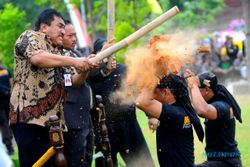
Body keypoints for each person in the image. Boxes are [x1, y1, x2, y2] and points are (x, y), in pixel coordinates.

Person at [10, 9, 93, 167]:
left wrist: (85, 68)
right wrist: (75, 62)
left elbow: (73, 81)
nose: (63, 31)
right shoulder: (30, 37)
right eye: (60, 26)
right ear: (44, 27)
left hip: (53, 124)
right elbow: (38, 59)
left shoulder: (58, 52)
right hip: (30, 120)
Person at [91, 38, 155, 167]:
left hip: (129, 123)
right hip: (104, 128)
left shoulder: (124, 70)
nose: (110, 55)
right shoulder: (90, 75)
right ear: (98, 54)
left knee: (143, 163)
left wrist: (151, 115)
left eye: (112, 51)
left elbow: (141, 91)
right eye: (105, 52)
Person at [135, 73, 204, 167]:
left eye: (154, 92)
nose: (152, 97)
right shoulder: (178, 110)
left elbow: (140, 102)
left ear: (166, 93)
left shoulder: (175, 114)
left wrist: (151, 79)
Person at [185, 70, 242, 167]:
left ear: (206, 90)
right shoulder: (215, 103)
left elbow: (202, 110)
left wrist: (193, 85)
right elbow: (195, 105)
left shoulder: (222, 106)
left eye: (198, 89)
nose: (194, 92)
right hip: (220, 161)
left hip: (226, 163)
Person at [62, 20, 94, 167]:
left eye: (75, 35)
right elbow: (70, 83)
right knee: (77, 160)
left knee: (87, 156)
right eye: (70, 35)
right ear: (60, 36)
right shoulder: (58, 58)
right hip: (72, 119)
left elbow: (88, 77)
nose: (74, 39)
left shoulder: (76, 53)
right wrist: (85, 68)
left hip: (85, 116)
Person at [0, 61, 14, 155]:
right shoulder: (6, 70)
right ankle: (11, 139)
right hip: (9, 98)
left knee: (4, 123)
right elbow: (11, 84)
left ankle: (9, 146)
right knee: (11, 120)